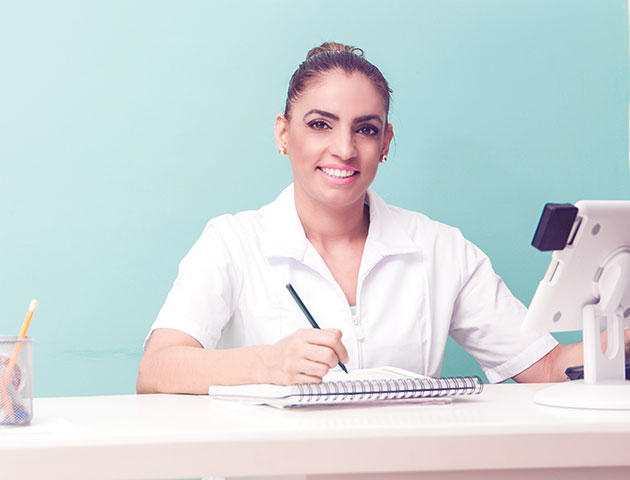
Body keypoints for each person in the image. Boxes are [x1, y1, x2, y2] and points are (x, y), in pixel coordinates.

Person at [137, 42, 628, 394]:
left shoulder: (441, 249)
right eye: (320, 124)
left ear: (385, 144)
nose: (345, 149)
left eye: (365, 129)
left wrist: (621, 340)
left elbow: (543, 367)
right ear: (283, 134)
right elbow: (157, 370)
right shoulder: (232, 242)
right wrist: (266, 362)